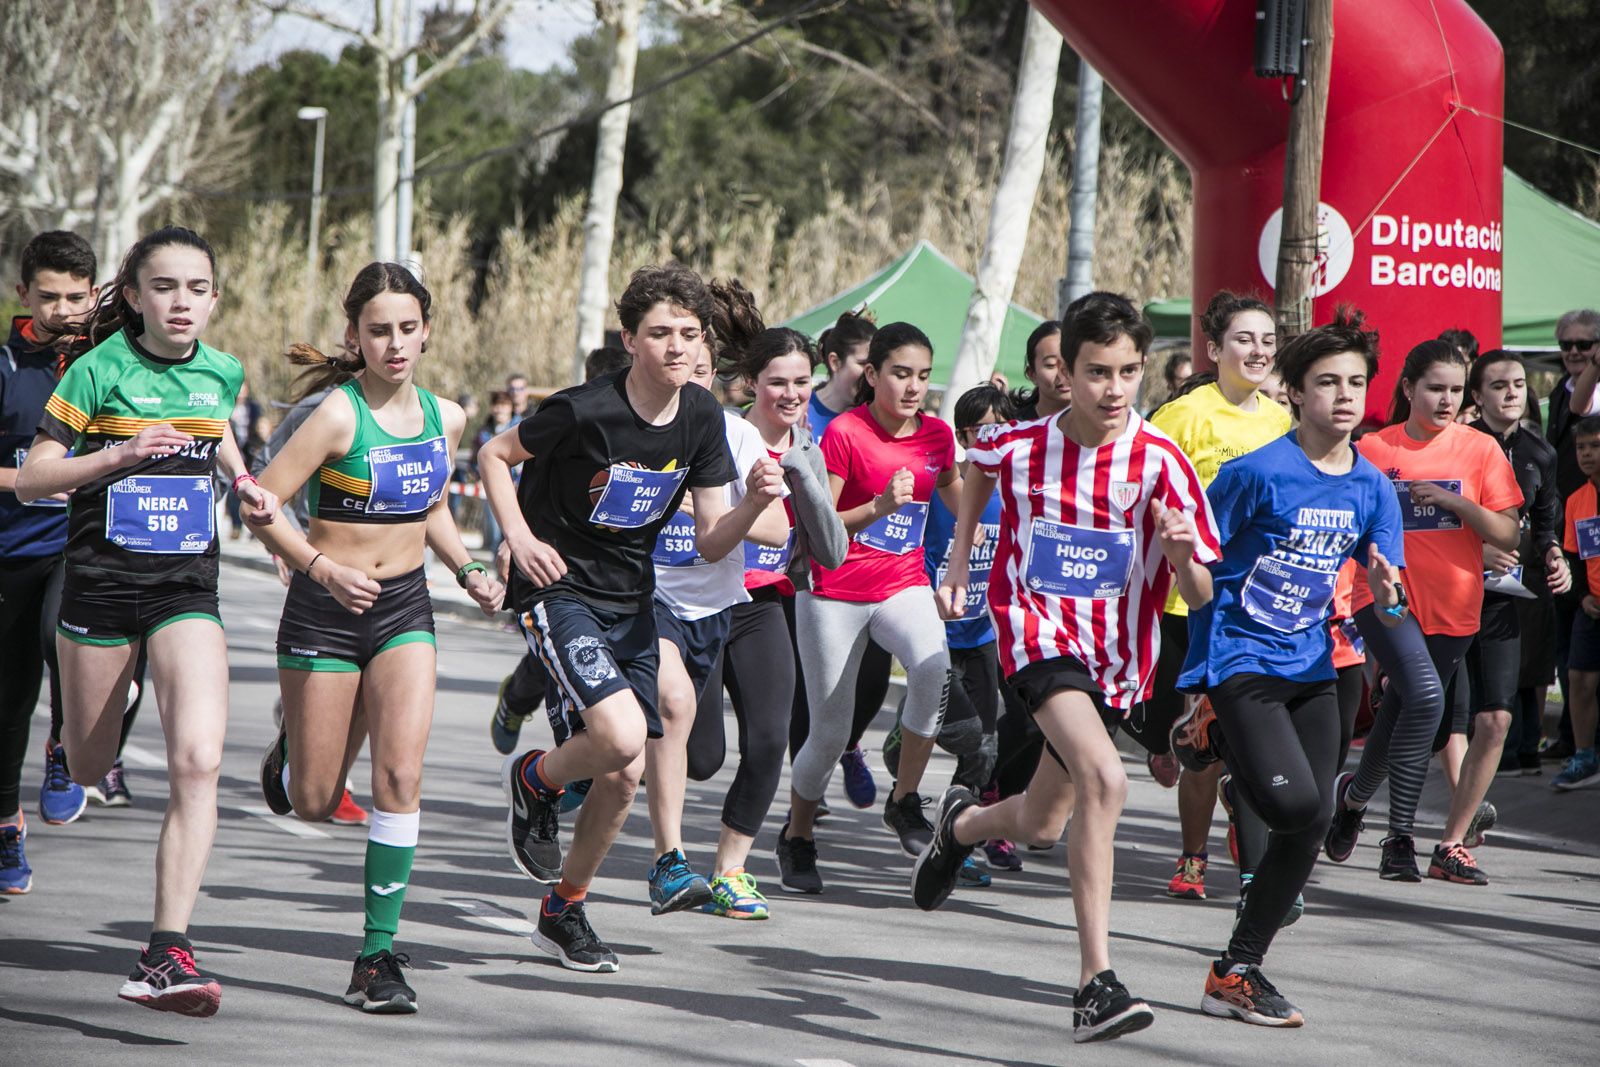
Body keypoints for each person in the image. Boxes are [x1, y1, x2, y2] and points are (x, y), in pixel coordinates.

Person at [915, 291, 1219, 1043]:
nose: (1113, 390)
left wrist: (1181, 555)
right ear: (1066, 373)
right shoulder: (1019, 446)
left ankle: (961, 826)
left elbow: (1202, 590)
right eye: (1095, 372)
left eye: (1126, 372)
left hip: (1117, 659)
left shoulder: (1161, 461)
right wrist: (958, 564)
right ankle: (1095, 981)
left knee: (1045, 822)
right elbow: (976, 470)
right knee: (1106, 779)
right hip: (1036, 633)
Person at [477, 263, 783, 972]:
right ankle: (534, 779)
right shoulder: (585, 408)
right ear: (631, 339)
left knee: (623, 772)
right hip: (561, 590)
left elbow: (711, 538)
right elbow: (495, 455)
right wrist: (519, 538)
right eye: (661, 333)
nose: (678, 347)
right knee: (617, 737)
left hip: (633, 599)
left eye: (689, 333)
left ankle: (564, 910)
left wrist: (754, 501)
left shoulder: (703, 416)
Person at [16, 226, 279, 1016]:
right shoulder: (99, 369)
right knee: (92, 768)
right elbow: (33, 479)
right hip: (99, 586)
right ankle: (77, 729)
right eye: (165, 287)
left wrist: (246, 483)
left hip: (184, 588)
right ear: (132, 295)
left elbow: (215, 433)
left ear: (215, 299)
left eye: (198, 289)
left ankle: (167, 949)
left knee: (197, 761)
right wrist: (115, 456)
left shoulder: (223, 371)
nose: (183, 302)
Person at [252, 262, 503, 1013]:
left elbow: (428, 509)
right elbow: (263, 506)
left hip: (403, 610)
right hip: (325, 612)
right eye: (378, 330)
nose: (394, 344)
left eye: (406, 329)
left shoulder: (447, 416)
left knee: (399, 776)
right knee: (316, 802)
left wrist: (471, 567)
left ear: (426, 330)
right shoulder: (334, 415)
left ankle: (376, 953)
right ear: (354, 335)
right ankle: (295, 739)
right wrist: (320, 568)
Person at [1171, 309, 1406, 1026]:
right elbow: (1198, 579)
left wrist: (1390, 593)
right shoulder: (1253, 475)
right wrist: (1194, 678)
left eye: (1355, 382)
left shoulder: (1371, 485)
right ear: (1296, 393)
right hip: (1241, 660)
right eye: (1326, 382)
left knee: (1309, 823)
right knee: (1296, 806)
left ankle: (1236, 971)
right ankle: (1214, 724)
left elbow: (1385, 572)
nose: (1343, 395)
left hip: (1310, 664)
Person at [1323, 340, 1522, 883]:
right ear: (1408, 388)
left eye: (1456, 391)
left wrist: (1457, 502)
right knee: (1427, 699)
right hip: (1382, 597)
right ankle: (1400, 838)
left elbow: (1508, 532)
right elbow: (1342, 522)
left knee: (1405, 708)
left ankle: (1354, 800)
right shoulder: (1373, 449)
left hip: (1456, 603)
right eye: (1435, 388)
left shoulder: (1479, 450)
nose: (1447, 401)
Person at [777, 321, 960, 892]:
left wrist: (1003, 521)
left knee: (933, 669)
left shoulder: (936, 435)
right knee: (830, 733)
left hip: (902, 585)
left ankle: (904, 800)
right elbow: (821, 523)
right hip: (833, 591)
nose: (913, 388)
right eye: (901, 374)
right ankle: (798, 836)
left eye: (924, 377)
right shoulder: (848, 433)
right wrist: (880, 505)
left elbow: (961, 495)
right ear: (873, 374)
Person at [685, 318, 848, 917]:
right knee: (700, 756)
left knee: (771, 739)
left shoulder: (809, 449)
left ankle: (731, 869)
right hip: (702, 600)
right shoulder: (716, 434)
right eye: (777, 382)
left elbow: (832, 552)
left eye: (802, 382)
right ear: (750, 382)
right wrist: (756, 502)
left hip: (764, 604)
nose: (791, 394)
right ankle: (597, 757)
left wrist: (803, 477)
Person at [640, 289, 792, 916]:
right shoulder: (642, 432)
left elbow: (780, 530)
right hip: (654, 601)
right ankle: (668, 863)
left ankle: (731, 870)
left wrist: (728, 504)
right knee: (684, 731)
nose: (694, 385)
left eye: (705, 373)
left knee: (753, 742)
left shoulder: (737, 438)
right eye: (685, 373)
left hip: (732, 606)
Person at [1147, 291, 1289, 903]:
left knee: (1248, 737)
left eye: (1266, 340)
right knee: (1200, 744)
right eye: (1242, 339)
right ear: (1214, 349)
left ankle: (1256, 864)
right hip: (1189, 604)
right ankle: (1194, 856)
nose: (1256, 351)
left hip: (1258, 606)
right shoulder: (1184, 415)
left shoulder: (1282, 421)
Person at [1434, 353, 1569, 865]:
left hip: (1504, 600)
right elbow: (1429, 515)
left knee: (1496, 721)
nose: (1512, 393)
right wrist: (1476, 546)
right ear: (1477, 395)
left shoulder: (1539, 451)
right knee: (1452, 716)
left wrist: (1555, 558)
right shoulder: (1458, 445)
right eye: (1498, 385)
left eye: (1518, 384)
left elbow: (1545, 522)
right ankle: (1457, 828)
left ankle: (1461, 819)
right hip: (1449, 593)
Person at [1, 231, 98, 893]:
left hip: (80, 544)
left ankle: (65, 745)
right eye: (50, 296)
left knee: (60, 638)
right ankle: (8, 826)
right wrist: (31, 478)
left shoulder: (110, 362)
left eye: (77, 296)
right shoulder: (7, 364)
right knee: (7, 701)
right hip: (10, 550)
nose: (64, 309)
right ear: (23, 293)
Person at [490, 346, 632, 758]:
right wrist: (512, 538)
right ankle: (518, 705)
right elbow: (522, 484)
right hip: (561, 571)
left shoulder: (667, 426)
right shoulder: (568, 418)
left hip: (622, 576)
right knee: (556, 663)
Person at [805, 308, 885, 808]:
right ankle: (808, 796)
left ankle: (850, 743)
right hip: (809, 571)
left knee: (873, 682)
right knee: (810, 694)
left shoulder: (883, 417)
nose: (872, 374)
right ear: (834, 361)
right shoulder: (803, 412)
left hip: (875, 570)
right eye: (863, 362)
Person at [1548, 310, 1600, 762]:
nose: (1575, 353)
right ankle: (1572, 737)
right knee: (1569, 647)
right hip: (1572, 525)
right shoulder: (1560, 391)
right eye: (1567, 346)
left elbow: (1585, 408)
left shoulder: (1588, 391)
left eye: (1585, 345)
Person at [1554, 417, 1600, 790]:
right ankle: (1584, 756)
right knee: (1578, 679)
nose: (1587, 454)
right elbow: (1575, 556)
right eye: (1582, 447)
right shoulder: (1576, 500)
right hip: (1592, 607)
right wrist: (1583, 595)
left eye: (1595, 446)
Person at [474, 390, 517, 554]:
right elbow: (475, 458)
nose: (500, 409)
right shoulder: (484, 432)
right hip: (492, 489)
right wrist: (480, 476)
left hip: (516, 489)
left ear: (511, 408)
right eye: (497, 405)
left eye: (504, 405)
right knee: (495, 532)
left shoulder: (521, 428)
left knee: (512, 534)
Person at [1009, 320, 1067, 420]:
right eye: (1051, 365)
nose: (1063, 374)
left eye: (1070, 363)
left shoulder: (1098, 427)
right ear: (1032, 374)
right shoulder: (1012, 430)